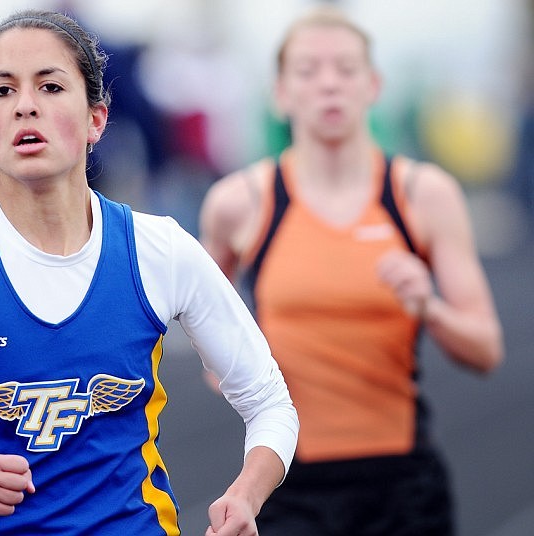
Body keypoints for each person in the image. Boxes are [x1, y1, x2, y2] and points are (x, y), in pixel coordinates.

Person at [0, 9, 299, 536]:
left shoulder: (160, 250)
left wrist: (246, 497)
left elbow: (270, 403)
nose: (25, 106)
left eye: (50, 86)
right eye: (2, 92)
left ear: (96, 120)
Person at [199, 7, 503, 536]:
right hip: (290, 485)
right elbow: (199, 332)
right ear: (281, 93)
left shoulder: (422, 195)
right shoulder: (239, 203)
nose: (329, 85)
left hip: (403, 487)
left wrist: (429, 305)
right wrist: (230, 368)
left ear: (373, 85)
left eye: (345, 68)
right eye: (309, 70)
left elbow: (486, 350)